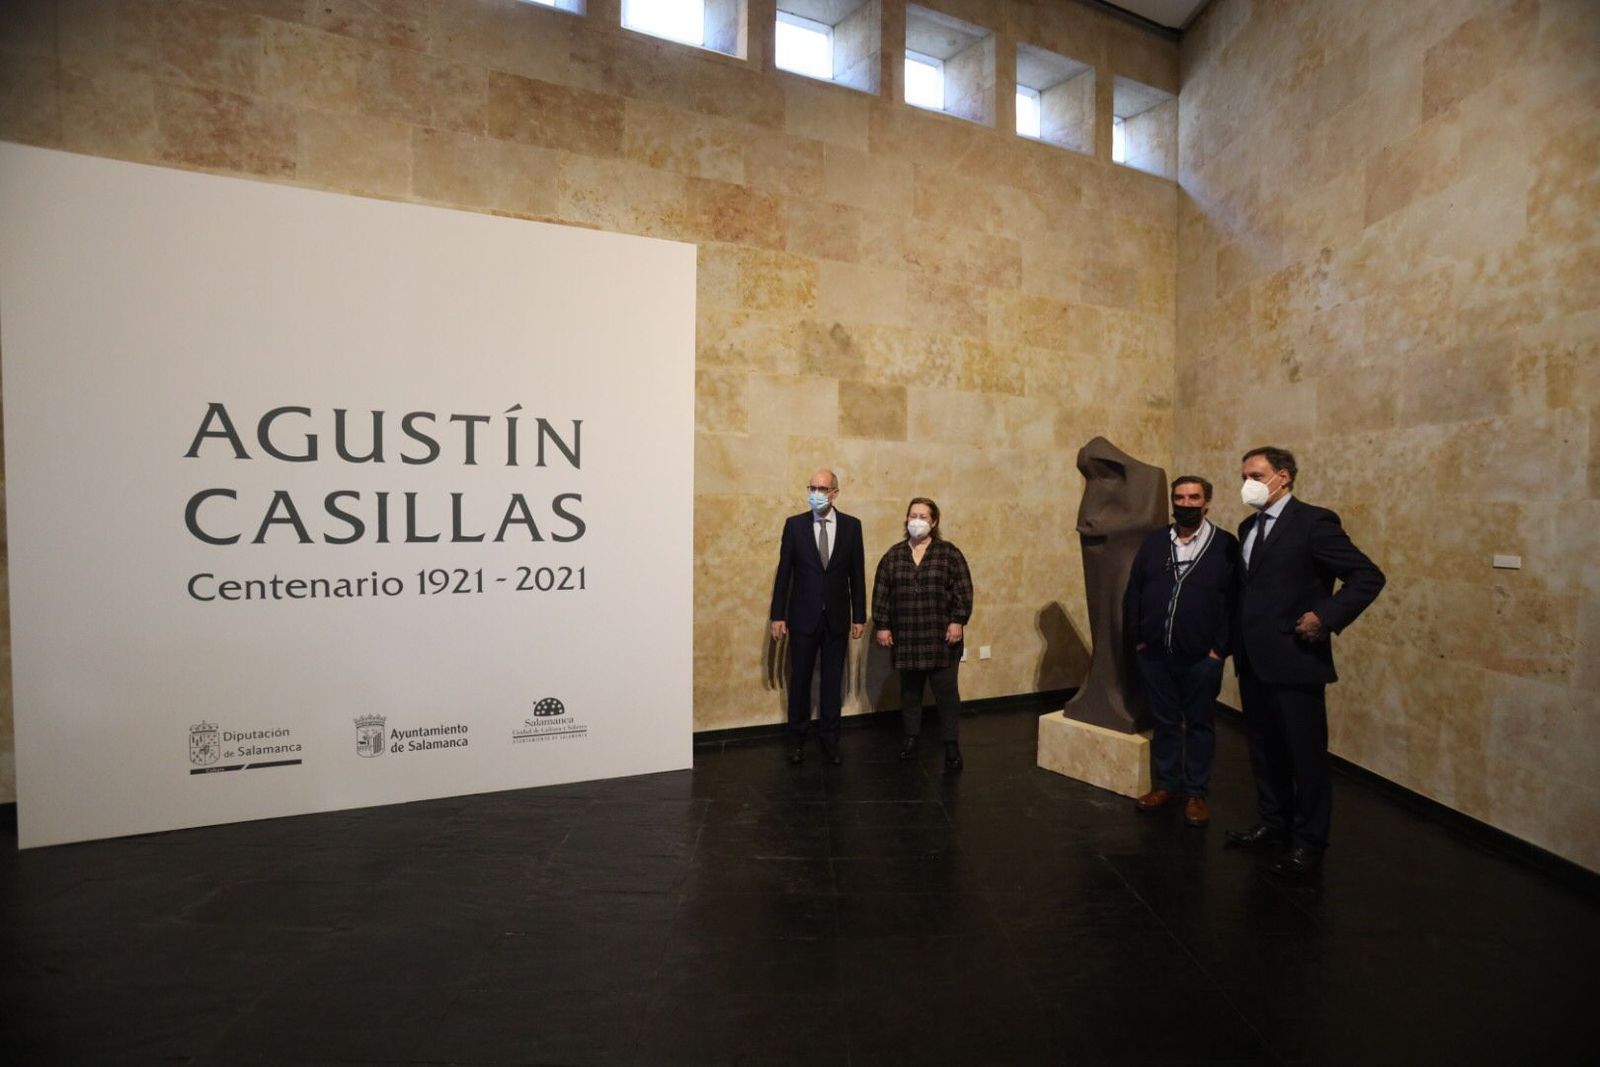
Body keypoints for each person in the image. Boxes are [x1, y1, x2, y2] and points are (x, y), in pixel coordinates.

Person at [1227, 446, 1385, 877]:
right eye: (1244, 475)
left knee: (1305, 756)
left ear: (1284, 476)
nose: (1249, 484)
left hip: (1295, 657)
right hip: (1254, 661)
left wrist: (1326, 616)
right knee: (1264, 751)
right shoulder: (1246, 527)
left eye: (1257, 475)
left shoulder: (1314, 522)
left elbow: (1367, 576)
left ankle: (1309, 841)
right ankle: (1273, 823)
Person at [1125, 476, 1239, 828]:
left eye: (1194, 497)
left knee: (1200, 725)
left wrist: (1220, 651)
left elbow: (1235, 602)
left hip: (1203, 658)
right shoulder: (1156, 542)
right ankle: (1166, 786)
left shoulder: (1225, 545)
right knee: (1165, 722)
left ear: (1207, 503)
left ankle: (1196, 793)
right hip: (1156, 653)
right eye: (1180, 497)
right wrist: (1140, 639)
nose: (1186, 503)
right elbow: (1134, 591)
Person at [770, 469, 866, 765]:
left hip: (836, 617)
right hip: (802, 617)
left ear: (835, 493)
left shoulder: (852, 526)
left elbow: (857, 574)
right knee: (799, 680)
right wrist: (778, 615)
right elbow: (784, 573)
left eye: (822, 488)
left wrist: (859, 615)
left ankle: (830, 740)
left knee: (832, 681)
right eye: (812, 487)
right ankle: (796, 739)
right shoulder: (795, 526)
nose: (816, 492)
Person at [871, 497, 974, 772]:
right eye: (913, 515)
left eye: (923, 516)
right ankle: (910, 739)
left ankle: (951, 745)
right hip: (907, 639)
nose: (917, 520)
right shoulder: (893, 556)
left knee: (947, 695)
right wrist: (882, 625)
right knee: (910, 694)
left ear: (934, 522)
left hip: (941, 638)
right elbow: (881, 592)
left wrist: (957, 621)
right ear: (906, 520)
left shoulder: (949, 553)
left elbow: (963, 591)